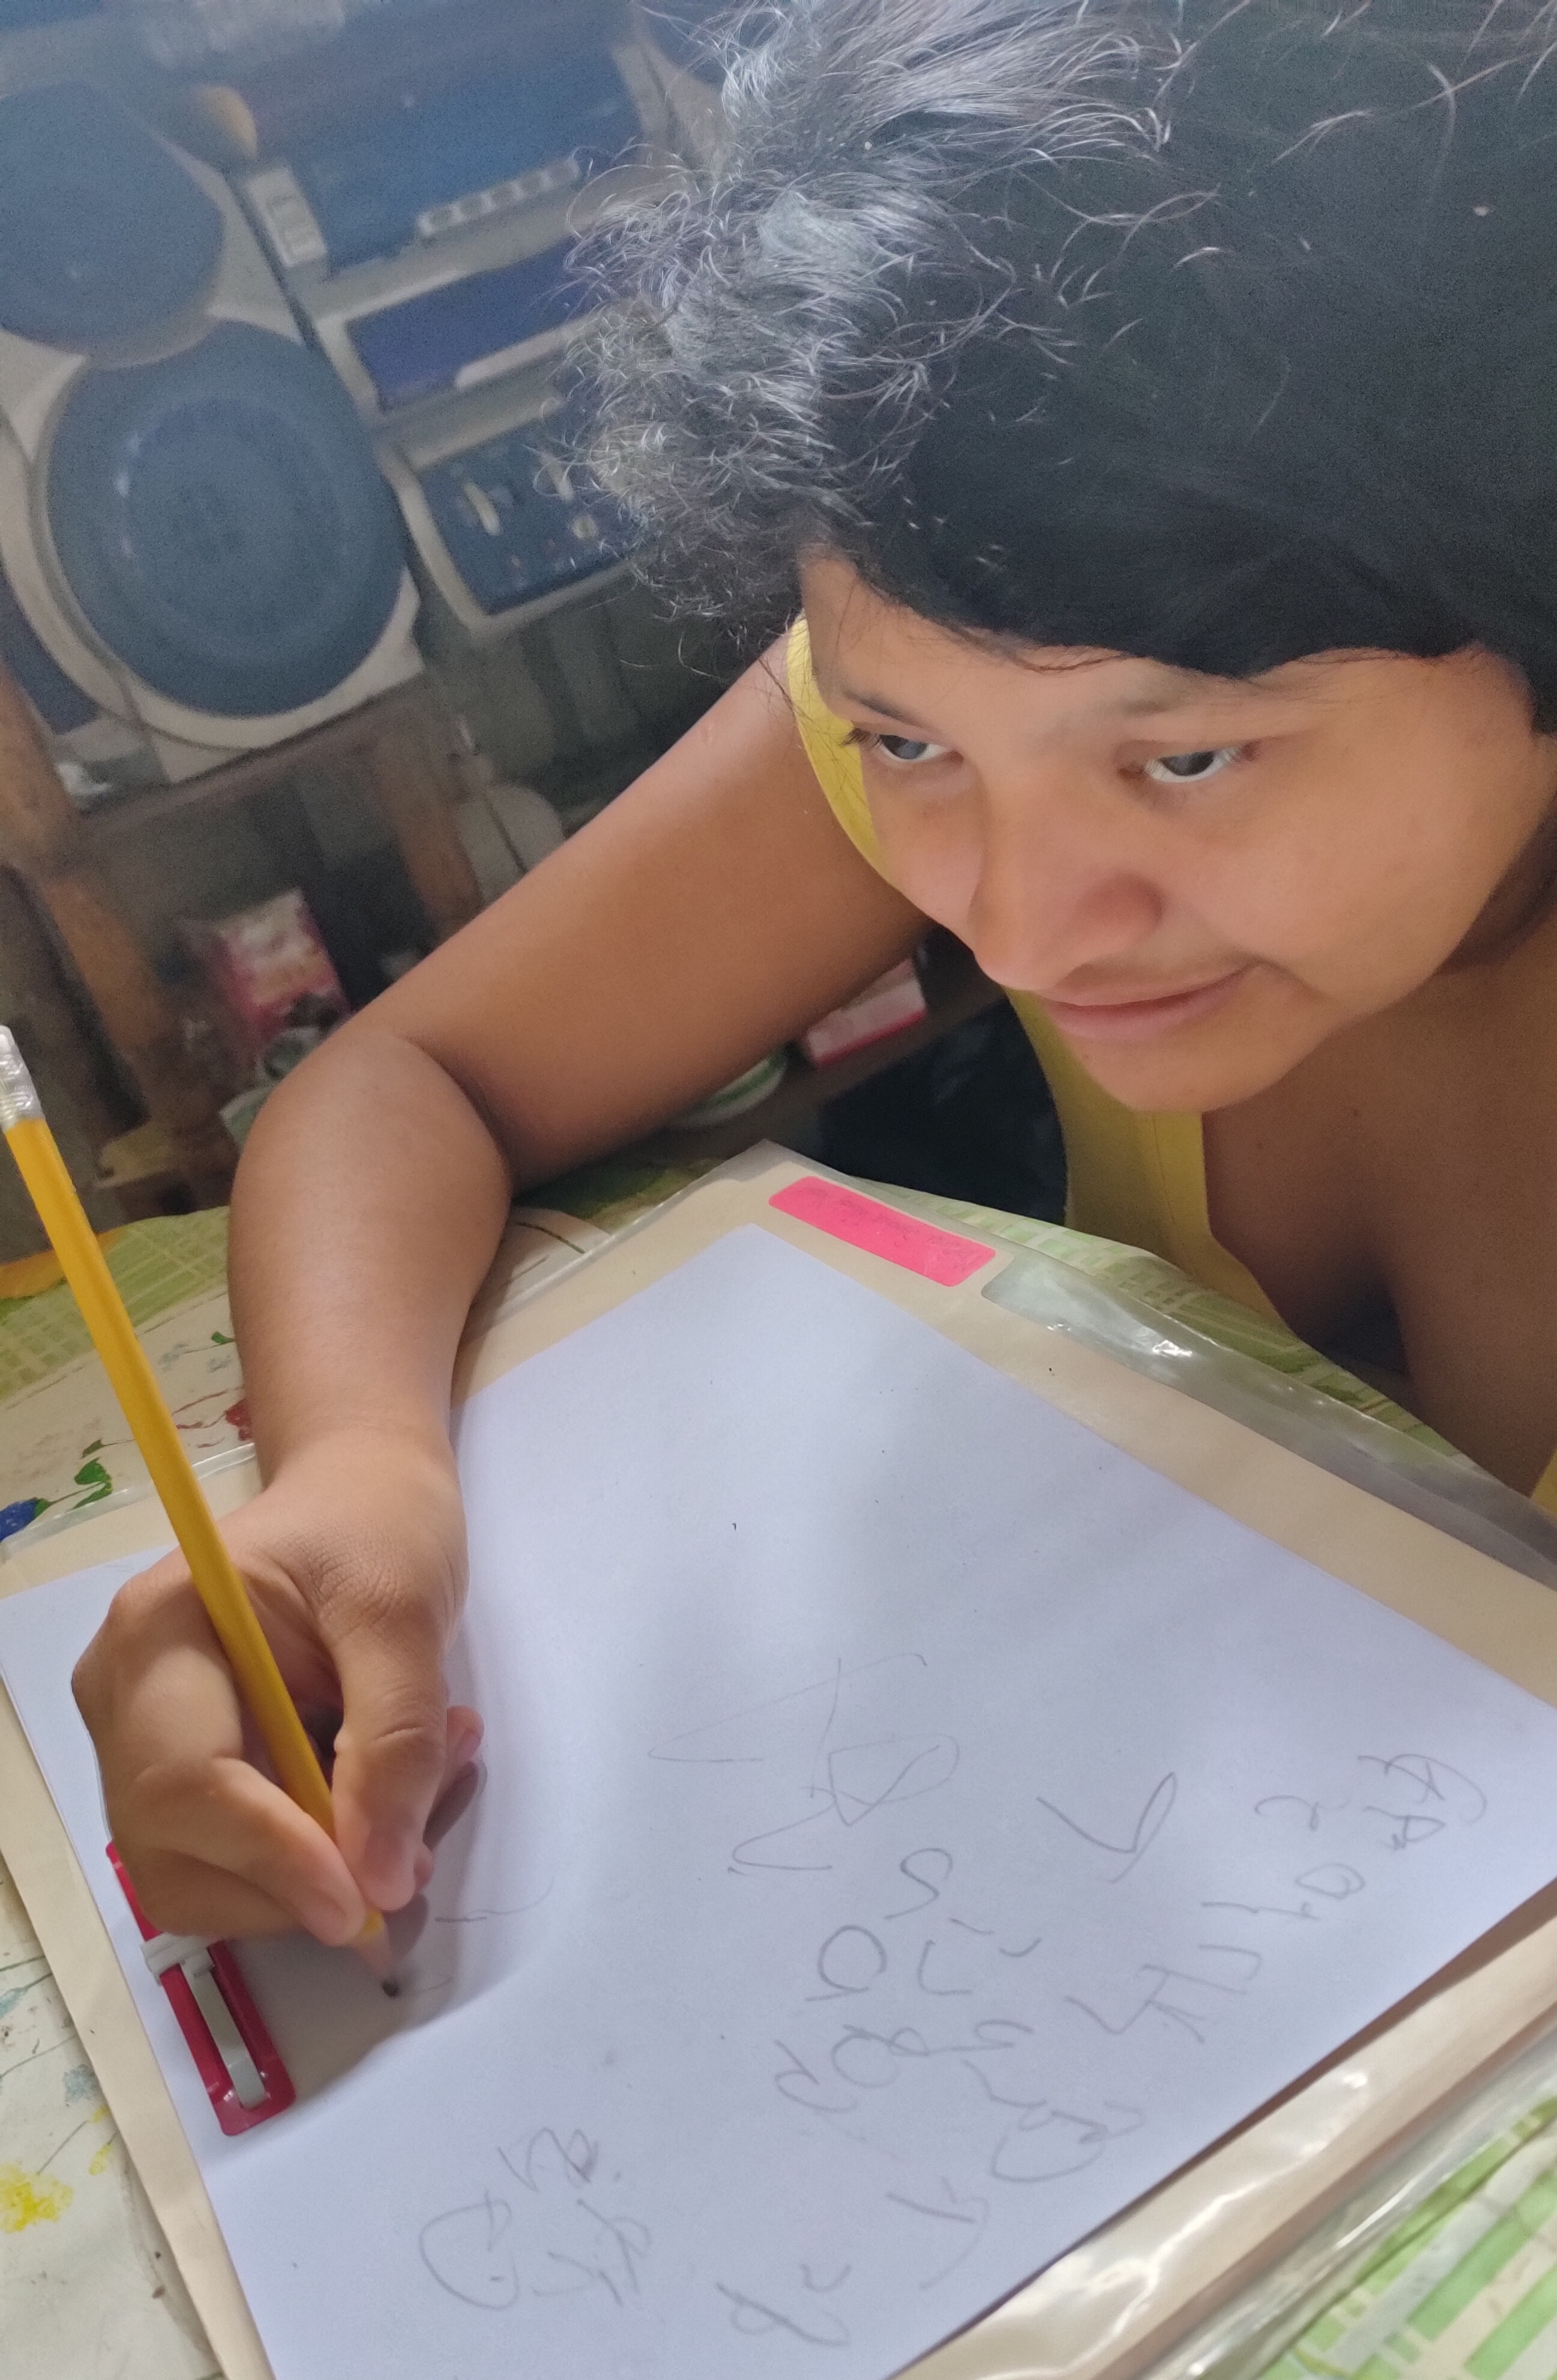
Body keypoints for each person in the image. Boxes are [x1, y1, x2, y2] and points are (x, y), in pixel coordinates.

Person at [75, 0, 1557, 1943]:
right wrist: (355, 1479)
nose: (1015, 929)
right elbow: (412, 1081)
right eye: (903, 741)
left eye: (1188, 760)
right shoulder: (995, 664)